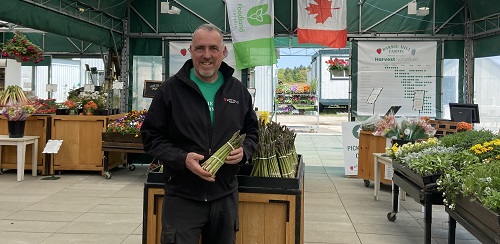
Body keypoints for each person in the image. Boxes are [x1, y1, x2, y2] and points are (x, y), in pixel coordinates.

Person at [140, 23, 259, 244]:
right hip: (183, 197)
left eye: (213, 48)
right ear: (191, 50)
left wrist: (245, 151)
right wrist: (182, 158)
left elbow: (252, 132)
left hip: (224, 196)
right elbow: (150, 137)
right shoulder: (170, 90)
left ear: (223, 52)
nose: (207, 55)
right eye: (200, 48)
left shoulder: (238, 91)